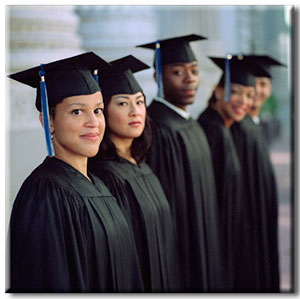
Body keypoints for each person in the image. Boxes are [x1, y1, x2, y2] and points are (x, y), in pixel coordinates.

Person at [7, 52, 144, 292]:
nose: (93, 122)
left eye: (98, 110)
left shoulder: (97, 184)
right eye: (77, 111)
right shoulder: (45, 194)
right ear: (48, 121)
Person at [137, 35, 224, 292]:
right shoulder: (155, 127)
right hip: (180, 246)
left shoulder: (191, 124)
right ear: (157, 77)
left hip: (205, 238)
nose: (190, 79)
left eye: (194, 71)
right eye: (178, 72)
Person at [88, 55, 178, 292]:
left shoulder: (143, 166)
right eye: (122, 103)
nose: (134, 111)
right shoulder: (105, 176)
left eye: (139, 102)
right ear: (103, 112)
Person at [197, 55, 268, 291]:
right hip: (218, 238)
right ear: (218, 91)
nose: (244, 102)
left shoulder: (225, 128)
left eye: (249, 96)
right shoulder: (212, 130)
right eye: (236, 92)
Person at [229, 55, 285, 292]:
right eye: (255, 85)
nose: (259, 91)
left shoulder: (254, 125)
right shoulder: (240, 129)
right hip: (248, 220)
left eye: (263, 84)